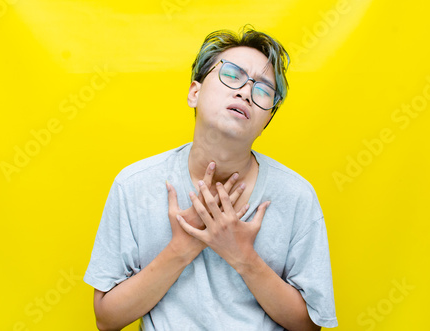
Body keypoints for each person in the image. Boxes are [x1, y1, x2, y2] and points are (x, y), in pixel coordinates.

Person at [84, 26, 338, 331]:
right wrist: (183, 245)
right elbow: (107, 319)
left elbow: (309, 326)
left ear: (266, 120)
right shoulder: (134, 185)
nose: (245, 92)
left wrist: (243, 256)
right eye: (232, 74)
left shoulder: (297, 196)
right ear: (195, 92)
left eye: (262, 90)